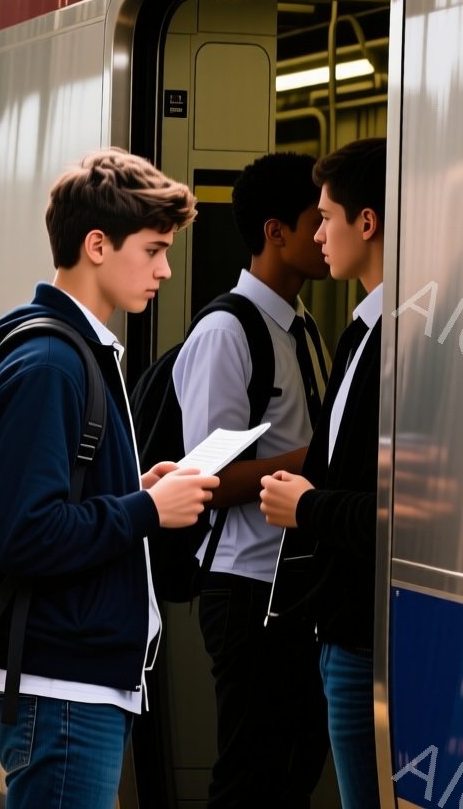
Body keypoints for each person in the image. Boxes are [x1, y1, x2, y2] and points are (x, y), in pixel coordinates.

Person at [0, 148, 215, 809]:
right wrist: (145, 510)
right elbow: (24, 533)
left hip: (69, 682)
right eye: (155, 248)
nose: (166, 268)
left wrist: (135, 487)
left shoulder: (68, 352)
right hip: (61, 688)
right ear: (98, 245)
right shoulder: (53, 363)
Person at [172, 153, 331, 808]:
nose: (324, 236)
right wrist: (316, 465)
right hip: (246, 592)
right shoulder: (226, 331)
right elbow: (204, 478)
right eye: (313, 220)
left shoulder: (306, 331)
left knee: (295, 768)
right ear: (275, 232)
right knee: (251, 775)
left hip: (297, 590)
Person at [260, 137, 387, 809]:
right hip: (344, 628)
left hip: (368, 638)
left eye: (328, 216)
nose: (319, 233)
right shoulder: (359, 331)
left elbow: (408, 511)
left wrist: (307, 508)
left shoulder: (395, 336)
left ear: (367, 223)